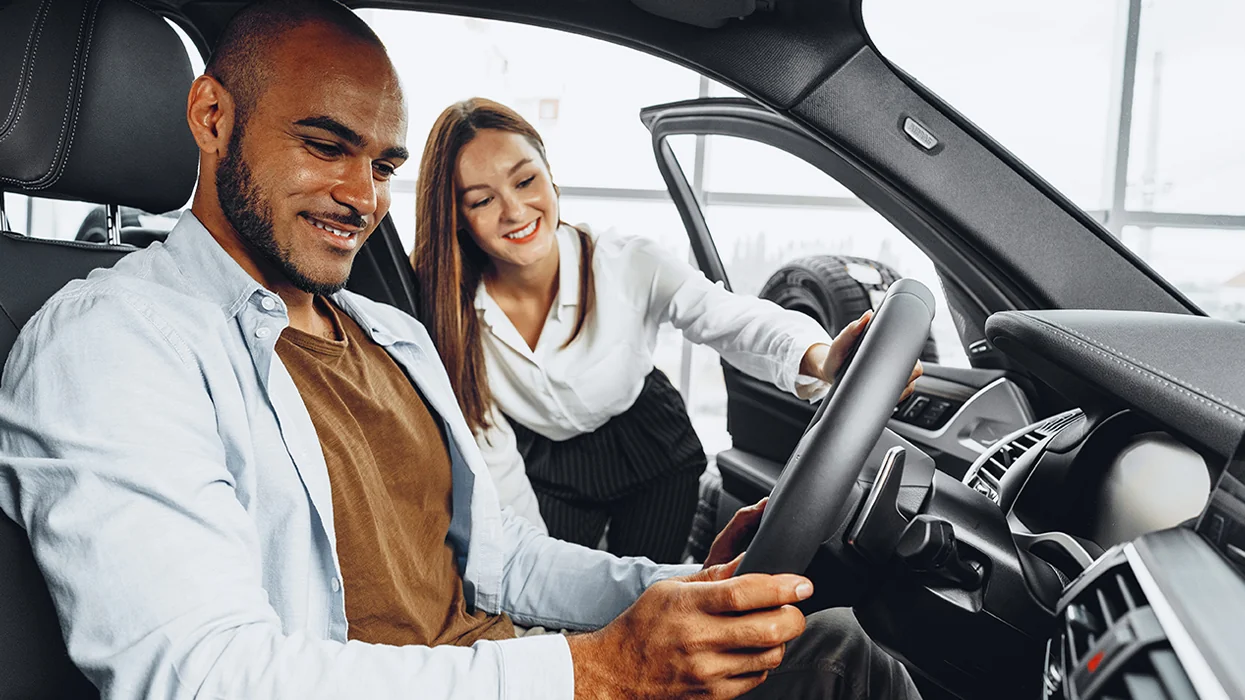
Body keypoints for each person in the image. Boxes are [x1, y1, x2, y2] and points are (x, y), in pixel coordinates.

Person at [0, 1, 921, 699]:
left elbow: (504, 561)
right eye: (325, 146)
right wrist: (594, 674)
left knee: (824, 645)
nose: (361, 196)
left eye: (385, 165)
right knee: (838, 662)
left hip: (504, 660)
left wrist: (681, 589)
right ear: (210, 118)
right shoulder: (112, 344)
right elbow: (204, 673)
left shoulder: (390, 335)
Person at [411, 98, 919, 562]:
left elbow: (729, 318)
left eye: (525, 181)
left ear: (551, 174)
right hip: (546, 463)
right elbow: (499, 479)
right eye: (481, 200)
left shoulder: (626, 262)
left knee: (647, 590)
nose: (515, 212)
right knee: (559, 587)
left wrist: (819, 357)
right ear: (456, 217)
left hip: (650, 445)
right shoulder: (450, 316)